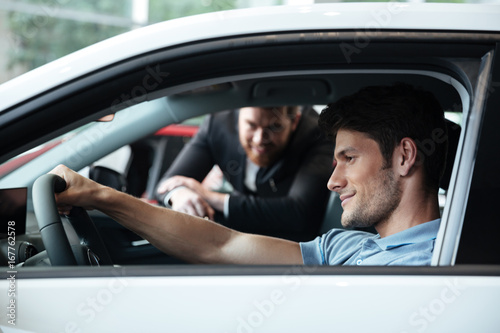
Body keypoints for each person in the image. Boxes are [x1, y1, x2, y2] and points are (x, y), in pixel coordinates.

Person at [51, 83, 447, 266]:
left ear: (405, 156)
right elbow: (221, 246)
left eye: (349, 158)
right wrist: (99, 195)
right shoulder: (348, 248)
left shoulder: (435, 266)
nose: (332, 180)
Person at [155, 106, 334, 241]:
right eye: (251, 125)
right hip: (230, 239)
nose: (259, 139)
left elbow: (298, 213)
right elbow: (167, 185)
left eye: (275, 127)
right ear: (239, 116)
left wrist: (210, 197)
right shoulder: (217, 125)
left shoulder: (316, 134)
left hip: (292, 247)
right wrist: (180, 194)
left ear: (294, 121)